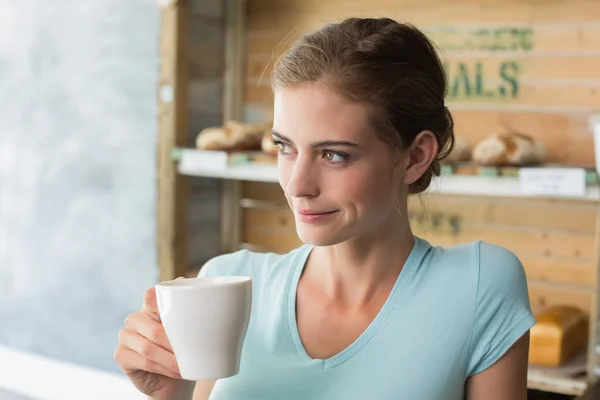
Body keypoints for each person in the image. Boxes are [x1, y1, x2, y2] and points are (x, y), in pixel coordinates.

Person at [114, 17, 535, 400]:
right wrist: (170, 395)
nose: (297, 185)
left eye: (333, 155)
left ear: (414, 157)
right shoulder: (225, 284)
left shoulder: (480, 286)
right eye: (285, 148)